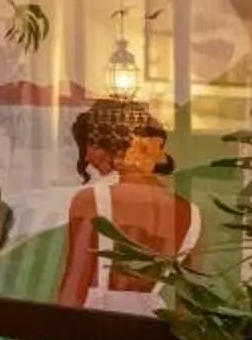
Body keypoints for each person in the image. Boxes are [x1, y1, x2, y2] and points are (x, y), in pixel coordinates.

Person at [55, 98, 198, 313]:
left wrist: (51, 339)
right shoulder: (190, 212)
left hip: (96, 327)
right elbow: (188, 304)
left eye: (89, 145)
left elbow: (74, 290)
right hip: (150, 329)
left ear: (112, 145)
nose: (86, 157)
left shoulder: (90, 200)